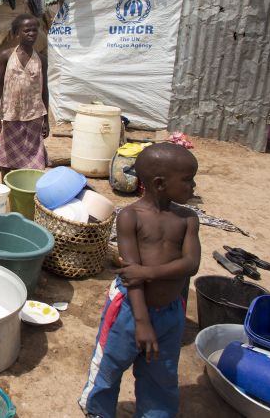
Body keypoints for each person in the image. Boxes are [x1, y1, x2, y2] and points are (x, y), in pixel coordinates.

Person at [79, 142, 201, 418]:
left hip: (170, 311)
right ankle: (98, 409)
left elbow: (191, 264)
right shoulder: (130, 217)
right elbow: (130, 275)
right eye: (187, 180)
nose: (193, 186)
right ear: (159, 183)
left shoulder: (187, 219)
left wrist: (148, 272)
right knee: (109, 364)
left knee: (162, 371)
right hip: (128, 309)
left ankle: (156, 413)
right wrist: (143, 322)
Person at [0, 14, 49, 178]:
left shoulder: (41, 60)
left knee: (33, 156)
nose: (32, 33)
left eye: (34, 30)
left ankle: (27, 187)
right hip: (11, 114)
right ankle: (6, 188)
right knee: (7, 158)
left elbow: (44, 89)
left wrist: (46, 120)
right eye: (27, 30)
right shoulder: (6, 56)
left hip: (34, 115)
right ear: (17, 33)